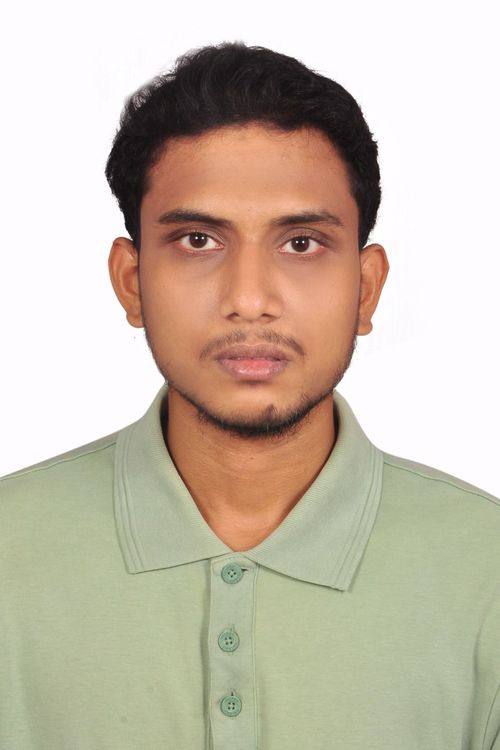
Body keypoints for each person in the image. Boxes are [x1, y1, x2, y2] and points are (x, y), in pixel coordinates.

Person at [1, 41, 499, 750]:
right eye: (198, 240)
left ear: (366, 289)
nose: (250, 298)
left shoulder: (487, 571)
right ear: (131, 282)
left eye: (301, 243)